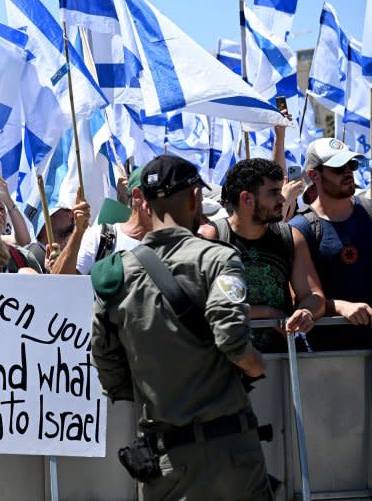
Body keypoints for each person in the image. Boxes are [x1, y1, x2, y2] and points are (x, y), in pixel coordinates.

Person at [90, 155, 277, 500]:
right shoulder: (216, 259)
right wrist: (257, 365)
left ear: (144, 205)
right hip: (230, 454)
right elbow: (232, 339)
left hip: (167, 460)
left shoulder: (115, 274)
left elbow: (106, 365)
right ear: (194, 197)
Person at [201, 158, 323, 352]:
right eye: (274, 193)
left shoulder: (290, 237)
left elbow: (314, 296)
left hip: (281, 365)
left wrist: (306, 311)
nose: (283, 199)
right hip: (225, 367)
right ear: (246, 198)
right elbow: (200, 307)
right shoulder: (210, 238)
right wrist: (267, 313)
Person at [289, 138, 372, 349]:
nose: (348, 172)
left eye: (351, 165)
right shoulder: (300, 227)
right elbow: (301, 298)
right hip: (326, 356)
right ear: (314, 175)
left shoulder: (370, 213)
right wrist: (340, 306)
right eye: (338, 168)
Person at [57, 168, 149, 275]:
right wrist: (78, 232)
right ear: (137, 196)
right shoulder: (100, 237)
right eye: (155, 194)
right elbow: (61, 282)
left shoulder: (170, 243)